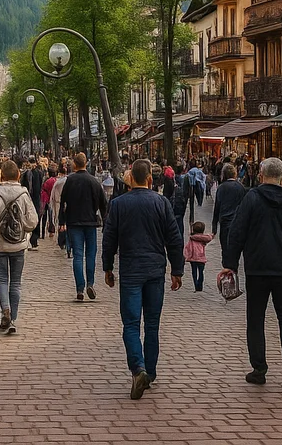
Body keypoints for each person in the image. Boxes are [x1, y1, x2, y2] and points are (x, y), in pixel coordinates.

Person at [218, 157, 282, 396]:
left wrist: (230, 264)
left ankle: (259, 368)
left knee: (256, 318)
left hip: (258, 268)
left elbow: (237, 231)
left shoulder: (252, 198)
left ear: (261, 174)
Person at [101, 159, 184, 400]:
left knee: (130, 323)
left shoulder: (118, 204)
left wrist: (108, 267)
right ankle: (151, 371)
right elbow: (174, 238)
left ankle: (138, 369)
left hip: (131, 270)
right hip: (155, 270)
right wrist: (176, 269)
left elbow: (109, 238)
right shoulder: (161, 203)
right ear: (149, 178)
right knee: (152, 324)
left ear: (130, 178)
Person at [0, 159, 39, 334]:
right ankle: (14, 318)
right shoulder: (24, 195)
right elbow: (33, 221)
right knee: (16, 282)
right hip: (18, 244)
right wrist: (22, 225)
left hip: (0, 244)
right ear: (18, 175)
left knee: (2, 279)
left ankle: (5, 311)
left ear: (2, 176)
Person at [59, 152, 108, 302]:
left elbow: (63, 202)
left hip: (74, 222)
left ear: (74, 164)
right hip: (90, 222)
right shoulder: (94, 181)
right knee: (91, 254)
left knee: (78, 255)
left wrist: (62, 221)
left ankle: (80, 288)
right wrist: (106, 221)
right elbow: (103, 204)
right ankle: (90, 283)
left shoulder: (70, 181)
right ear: (86, 163)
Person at [211, 163, 247, 266]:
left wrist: (214, 227)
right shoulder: (240, 187)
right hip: (237, 223)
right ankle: (234, 267)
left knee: (225, 250)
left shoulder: (221, 188)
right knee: (236, 250)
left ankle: (227, 270)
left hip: (225, 223)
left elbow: (217, 207)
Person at [184, 221, 214, 292]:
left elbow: (187, 248)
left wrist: (185, 256)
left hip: (193, 258)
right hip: (201, 258)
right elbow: (209, 238)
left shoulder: (192, 238)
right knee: (201, 272)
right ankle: (200, 286)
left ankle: (196, 285)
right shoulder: (203, 238)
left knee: (194, 272)